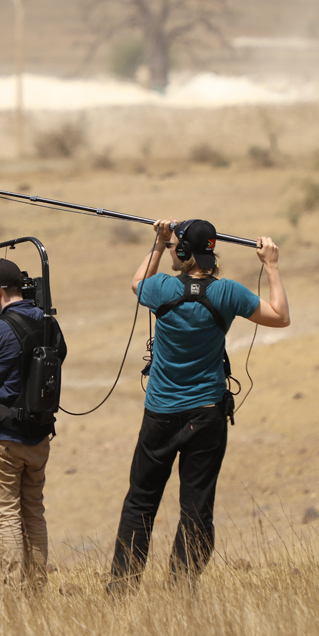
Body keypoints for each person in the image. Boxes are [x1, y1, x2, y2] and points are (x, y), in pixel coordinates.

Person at [108, 219, 289, 594]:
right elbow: (280, 316)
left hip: (160, 413)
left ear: (184, 252)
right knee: (196, 508)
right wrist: (270, 266)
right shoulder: (227, 294)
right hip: (207, 414)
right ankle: (181, 587)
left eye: (177, 245)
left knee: (141, 501)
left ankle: (123, 587)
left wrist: (157, 245)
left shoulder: (160, 289)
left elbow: (135, 282)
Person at [0, 258, 67, 590]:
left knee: (6, 514)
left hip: (4, 440)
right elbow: (59, 355)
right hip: (38, 437)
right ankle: (36, 587)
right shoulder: (50, 323)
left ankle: (14, 589)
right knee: (33, 511)